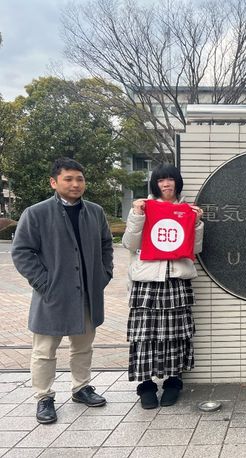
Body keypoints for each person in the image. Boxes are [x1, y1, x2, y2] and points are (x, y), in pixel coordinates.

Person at [12, 157, 113, 424]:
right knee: (44, 351)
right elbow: (21, 252)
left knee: (83, 347)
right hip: (52, 295)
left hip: (88, 293)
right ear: (53, 182)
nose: (75, 184)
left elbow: (106, 245)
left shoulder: (95, 212)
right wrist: (44, 283)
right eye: (68, 179)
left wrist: (103, 274)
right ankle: (44, 397)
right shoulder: (36, 213)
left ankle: (81, 388)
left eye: (79, 179)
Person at [122, 163, 204, 409]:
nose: (166, 184)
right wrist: (137, 215)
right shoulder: (144, 208)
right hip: (147, 280)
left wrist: (196, 223)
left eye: (170, 179)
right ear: (155, 184)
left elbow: (195, 249)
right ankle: (146, 385)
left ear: (177, 182)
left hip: (176, 279)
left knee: (176, 335)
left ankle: (173, 382)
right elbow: (130, 243)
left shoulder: (187, 210)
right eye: (160, 180)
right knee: (144, 335)